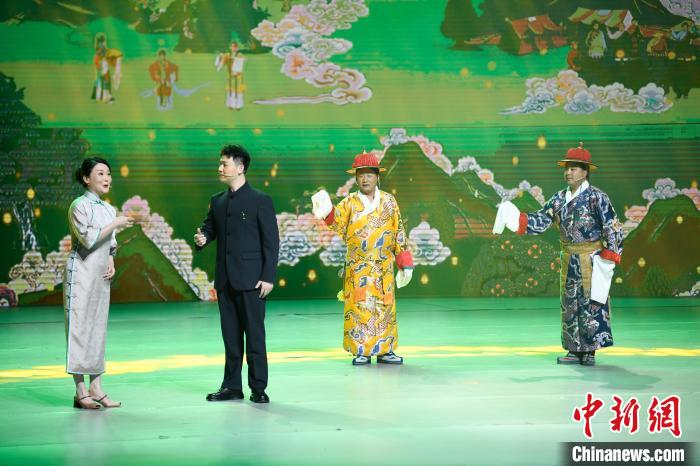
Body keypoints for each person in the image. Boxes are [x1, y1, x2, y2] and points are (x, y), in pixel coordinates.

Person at [493, 144, 623, 366]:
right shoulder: (558, 199)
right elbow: (541, 220)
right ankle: (573, 349)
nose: (568, 172)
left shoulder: (597, 197)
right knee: (570, 302)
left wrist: (609, 256)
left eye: (574, 168)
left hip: (591, 259)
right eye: (566, 168)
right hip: (569, 257)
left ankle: (590, 351)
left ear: (585, 172)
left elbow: (612, 227)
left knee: (591, 302)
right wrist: (514, 217)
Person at [311, 152, 414, 366]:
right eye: (361, 175)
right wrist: (326, 210)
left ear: (377, 176)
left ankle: (386, 350)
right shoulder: (349, 203)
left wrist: (405, 263)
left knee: (385, 307)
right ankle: (361, 350)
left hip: (383, 267)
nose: (365, 179)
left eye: (369, 174)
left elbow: (399, 232)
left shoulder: (389, 201)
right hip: (358, 267)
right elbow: (337, 222)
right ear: (356, 178)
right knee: (359, 307)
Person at [194, 145, 279, 403]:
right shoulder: (217, 200)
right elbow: (210, 228)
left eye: (225, 164)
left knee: (255, 337)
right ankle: (231, 386)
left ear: (240, 167)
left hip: (253, 281)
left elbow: (271, 242)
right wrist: (203, 237)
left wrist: (268, 276)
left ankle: (258, 387)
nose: (220, 168)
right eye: (220, 164)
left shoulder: (260, 200)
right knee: (230, 338)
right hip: (225, 280)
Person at [64, 157, 134, 409]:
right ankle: (80, 390)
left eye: (108, 173)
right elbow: (88, 239)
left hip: (100, 275)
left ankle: (96, 386)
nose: (107, 178)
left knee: (97, 327)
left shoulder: (107, 208)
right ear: (86, 178)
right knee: (79, 327)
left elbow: (110, 243)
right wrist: (116, 222)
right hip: (81, 273)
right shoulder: (79, 205)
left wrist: (111, 260)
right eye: (101, 173)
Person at [91, 33, 123, 104]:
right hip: (102, 64)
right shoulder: (101, 47)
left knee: (101, 80)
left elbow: (101, 54)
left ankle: (100, 97)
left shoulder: (99, 47)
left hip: (101, 63)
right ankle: (105, 97)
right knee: (104, 80)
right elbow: (102, 54)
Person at [215, 41, 245, 110]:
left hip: (238, 76)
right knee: (230, 91)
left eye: (235, 47)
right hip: (230, 76)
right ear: (230, 47)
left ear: (237, 48)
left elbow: (242, 63)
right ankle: (230, 105)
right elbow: (222, 62)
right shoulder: (227, 55)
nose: (234, 48)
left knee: (238, 91)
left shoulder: (240, 55)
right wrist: (220, 57)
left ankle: (238, 106)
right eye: (232, 47)